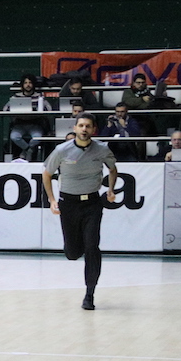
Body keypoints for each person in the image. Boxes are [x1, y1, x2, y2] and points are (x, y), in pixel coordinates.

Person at [41, 114, 117, 310]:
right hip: (69, 204)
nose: (84, 129)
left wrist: (110, 189)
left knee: (92, 246)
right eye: (81, 125)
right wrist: (52, 200)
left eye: (88, 126)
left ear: (93, 130)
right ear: (75, 128)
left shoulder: (102, 149)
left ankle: (89, 294)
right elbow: (47, 174)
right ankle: (77, 245)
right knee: (72, 253)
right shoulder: (62, 150)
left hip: (92, 203)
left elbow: (113, 169)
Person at [2, 74, 53, 162]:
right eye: (25, 83)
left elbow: (49, 109)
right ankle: (28, 150)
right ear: (22, 85)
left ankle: (25, 152)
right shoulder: (16, 97)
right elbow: (5, 109)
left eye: (30, 82)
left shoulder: (39, 96)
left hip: (35, 124)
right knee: (14, 137)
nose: (28, 85)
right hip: (19, 124)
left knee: (37, 137)